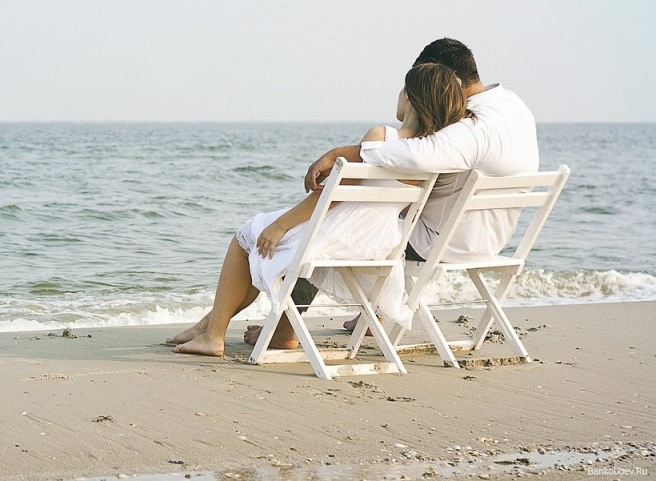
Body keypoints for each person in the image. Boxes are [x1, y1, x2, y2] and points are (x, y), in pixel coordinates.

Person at [243, 37, 539, 348]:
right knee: (384, 204)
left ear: (446, 78)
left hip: (442, 243)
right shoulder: (513, 105)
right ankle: (374, 313)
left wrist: (345, 153)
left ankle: (286, 328)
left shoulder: (470, 128)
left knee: (334, 226)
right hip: (491, 238)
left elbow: (413, 154)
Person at [167, 62, 471, 357]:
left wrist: (282, 224)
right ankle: (208, 325)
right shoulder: (434, 154)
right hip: (378, 243)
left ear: (410, 97)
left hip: (340, 232)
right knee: (260, 243)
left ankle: (214, 335)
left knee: (248, 235)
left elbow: (333, 197)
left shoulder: (382, 136)